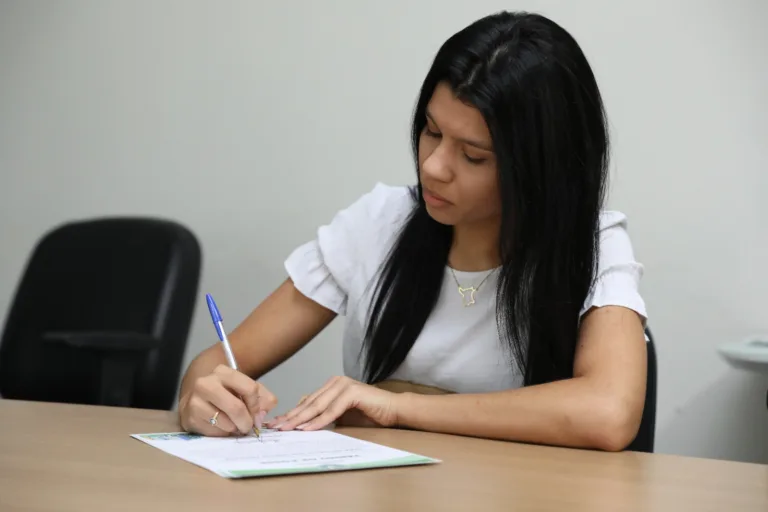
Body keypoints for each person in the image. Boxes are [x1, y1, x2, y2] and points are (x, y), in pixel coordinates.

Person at [177, 10, 648, 452]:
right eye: (430, 130)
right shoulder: (381, 222)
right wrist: (207, 401)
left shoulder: (593, 243)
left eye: (473, 155)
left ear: (539, 169)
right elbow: (209, 367)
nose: (433, 166)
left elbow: (608, 412)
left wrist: (397, 406)